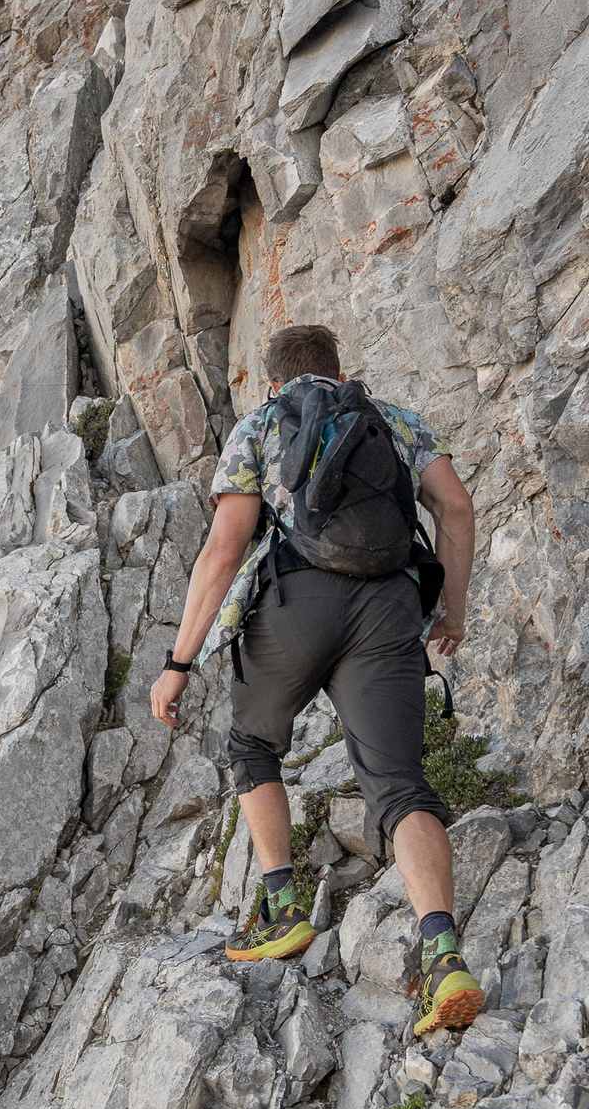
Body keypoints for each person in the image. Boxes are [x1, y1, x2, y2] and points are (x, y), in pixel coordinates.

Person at [150, 323, 483, 1038]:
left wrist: (179, 662)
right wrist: (450, 612)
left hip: (295, 606)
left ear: (274, 381)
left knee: (251, 745)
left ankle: (282, 908)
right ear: (339, 371)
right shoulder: (392, 420)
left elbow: (225, 544)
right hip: (389, 608)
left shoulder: (264, 423)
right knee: (399, 784)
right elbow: (455, 508)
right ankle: (445, 955)